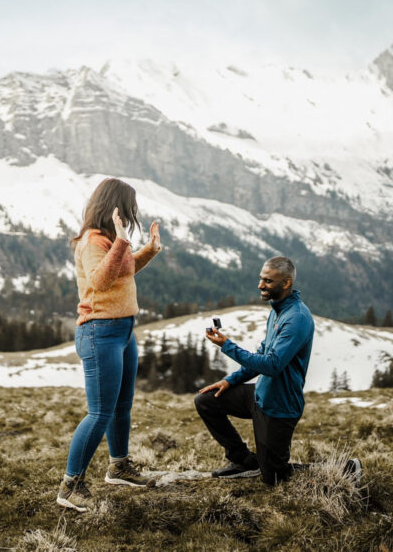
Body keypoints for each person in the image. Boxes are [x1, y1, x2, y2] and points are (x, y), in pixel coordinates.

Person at [195, 256, 360, 485]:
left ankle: (347, 468)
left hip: (280, 405)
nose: (261, 285)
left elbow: (272, 365)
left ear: (286, 283)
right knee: (206, 400)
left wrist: (227, 346)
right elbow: (263, 352)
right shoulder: (277, 310)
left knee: (274, 476)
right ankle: (243, 460)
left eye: (268, 281)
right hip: (262, 394)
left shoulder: (296, 318)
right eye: (261, 279)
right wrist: (230, 381)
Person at [57, 178, 163, 512]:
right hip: (100, 332)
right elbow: (100, 282)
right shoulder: (92, 241)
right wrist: (121, 240)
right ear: (114, 207)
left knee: (121, 405)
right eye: (128, 209)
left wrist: (149, 250)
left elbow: (121, 271)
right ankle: (70, 485)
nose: (132, 215)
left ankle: (118, 466)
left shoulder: (106, 239)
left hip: (122, 332)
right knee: (100, 412)